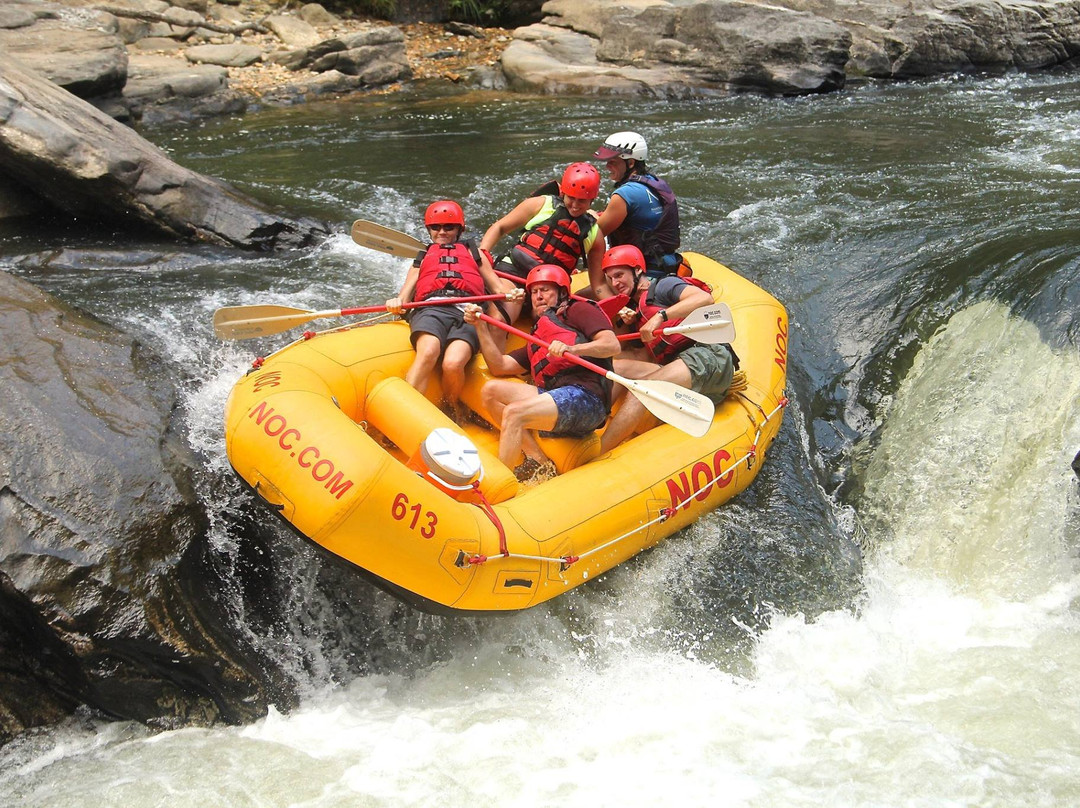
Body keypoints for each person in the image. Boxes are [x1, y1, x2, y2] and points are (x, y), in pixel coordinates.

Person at [463, 264, 621, 475]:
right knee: (490, 391)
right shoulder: (538, 336)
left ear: (562, 292)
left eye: (545, 290)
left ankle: (502, 480)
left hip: (588, 400)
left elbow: (612, 345)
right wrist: (480, 327)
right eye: (535, 292)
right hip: (556, 396)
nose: (538, 296)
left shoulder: (579, 310)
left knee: (514, 413)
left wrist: (573, 349)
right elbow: (499, 366)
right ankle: (538, 460)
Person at [597, 245, 737, 453]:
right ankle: (595, 426)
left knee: (641, 390)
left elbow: (703, 299)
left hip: (708, 357)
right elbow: (638, 355)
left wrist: (660, 316)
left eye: (619, 275)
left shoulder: (664, 285)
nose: (615, 283)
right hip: (679, 366)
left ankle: (598, 453)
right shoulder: (637, 310)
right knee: (617, 369)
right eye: (610, 279)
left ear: (637, 271)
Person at [385, 200, 515, 411]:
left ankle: (450, 407)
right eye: (436, 227)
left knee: (453, 364)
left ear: (459, 229)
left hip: (468, 314)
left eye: (449, 227)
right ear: (429, 230)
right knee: (428, 351)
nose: (442, 232)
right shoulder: (424, 256)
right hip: (431, 309)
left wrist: (513, 294)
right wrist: (396, 302)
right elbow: (405, 294)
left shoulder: (474, 252)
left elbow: (497, 287)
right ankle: (405, 410)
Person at [480, 162, 607, 326]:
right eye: (571, 198)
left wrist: (620, 307)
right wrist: (483, 253)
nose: (575, 205)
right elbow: (500, 227)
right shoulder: (540, 204)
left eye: (582, 201)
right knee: (499, 321)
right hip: (514, 273)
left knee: (548, 324)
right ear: (563, 193)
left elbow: (599, 285)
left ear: (592, 200)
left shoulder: (594, 235)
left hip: (549, 288)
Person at [592, 131, 682, 280]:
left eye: (613, 162)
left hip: (645, 276)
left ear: (631, 162)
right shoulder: (654, 182)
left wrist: (588, 215)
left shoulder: (625, 194)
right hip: (666, 266)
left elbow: (593, 236)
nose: (607, 166)